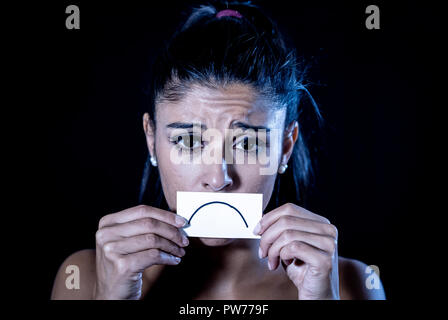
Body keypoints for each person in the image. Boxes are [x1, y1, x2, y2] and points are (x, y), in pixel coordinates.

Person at [51, 1, 386, 300]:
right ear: (151, 140)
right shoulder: (84, 280)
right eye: (188, 141)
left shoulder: (348, 285)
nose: (218, 178)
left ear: (285, 148)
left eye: (248, 144)